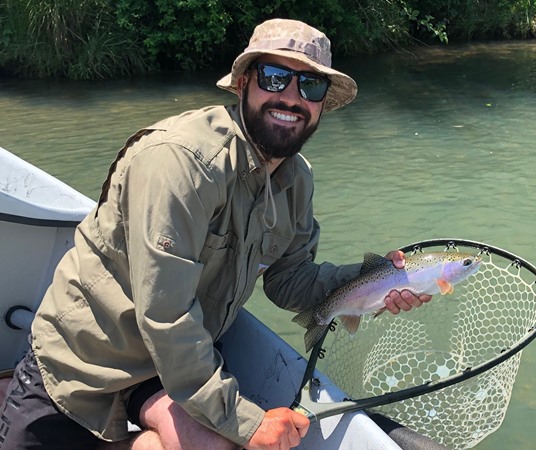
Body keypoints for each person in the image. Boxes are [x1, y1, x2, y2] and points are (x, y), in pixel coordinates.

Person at [0, 18, 431, 450]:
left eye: (311, 86)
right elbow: (166, 316)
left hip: (171, 368)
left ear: (321, 105)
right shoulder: (179, 162)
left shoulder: (297, 180)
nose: (292, 97)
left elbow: (289, 281)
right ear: (243, 83)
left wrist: (373, 283)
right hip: (87, 360)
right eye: (275, 77)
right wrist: (247, 423)